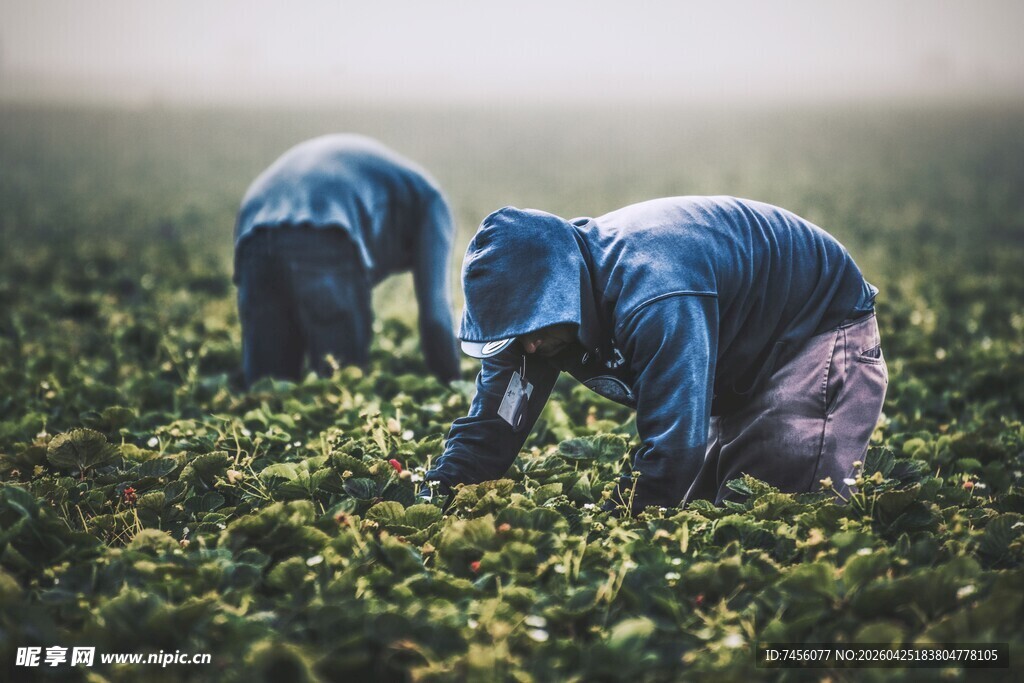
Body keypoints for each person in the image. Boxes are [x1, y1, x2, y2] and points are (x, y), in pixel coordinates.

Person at [425, 196, 888, 512]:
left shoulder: (655, 293)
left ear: (562, 293)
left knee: (783, 509)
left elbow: (674, 445)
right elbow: (493, 426)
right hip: (734, 347)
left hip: (814, 328)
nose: (527, 347)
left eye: (533, 328)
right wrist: (436, 497)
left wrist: (615, 521)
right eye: (514, 334)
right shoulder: (534, 328)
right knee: (715, 510)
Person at [233, 134, 460, 387]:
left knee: (268, 389)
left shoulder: (400, 189)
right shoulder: (434, 204)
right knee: (340, 385)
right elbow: (435, 316)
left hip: (253, 230)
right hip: (326, 228)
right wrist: (453, 384)